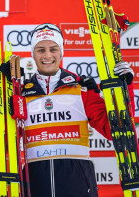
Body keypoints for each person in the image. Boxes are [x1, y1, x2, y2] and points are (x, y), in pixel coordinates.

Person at [21, 23, 135, 197]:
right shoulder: (21, 93)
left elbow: (115, 129)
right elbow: (7, 138)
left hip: (77, 185)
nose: (47, 55)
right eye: (40, 50)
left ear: (61, 51)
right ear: (32, 53)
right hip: (35, 184)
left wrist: (125, 89)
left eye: (53, 49)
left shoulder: (82, 89)